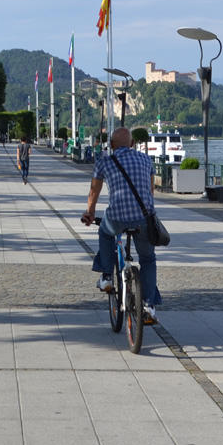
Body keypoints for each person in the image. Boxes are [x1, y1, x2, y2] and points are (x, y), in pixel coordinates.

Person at [80, 126, 162, 324]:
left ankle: (107, 276)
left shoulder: (104, 162)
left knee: (105, 233)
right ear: (133, 144)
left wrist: (90, 213)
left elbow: (94, 192)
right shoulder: (145, 159)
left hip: (117, 216)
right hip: (144, 218)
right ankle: (149, 306)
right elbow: (150, 192)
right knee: (148, 259)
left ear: (111, 145)